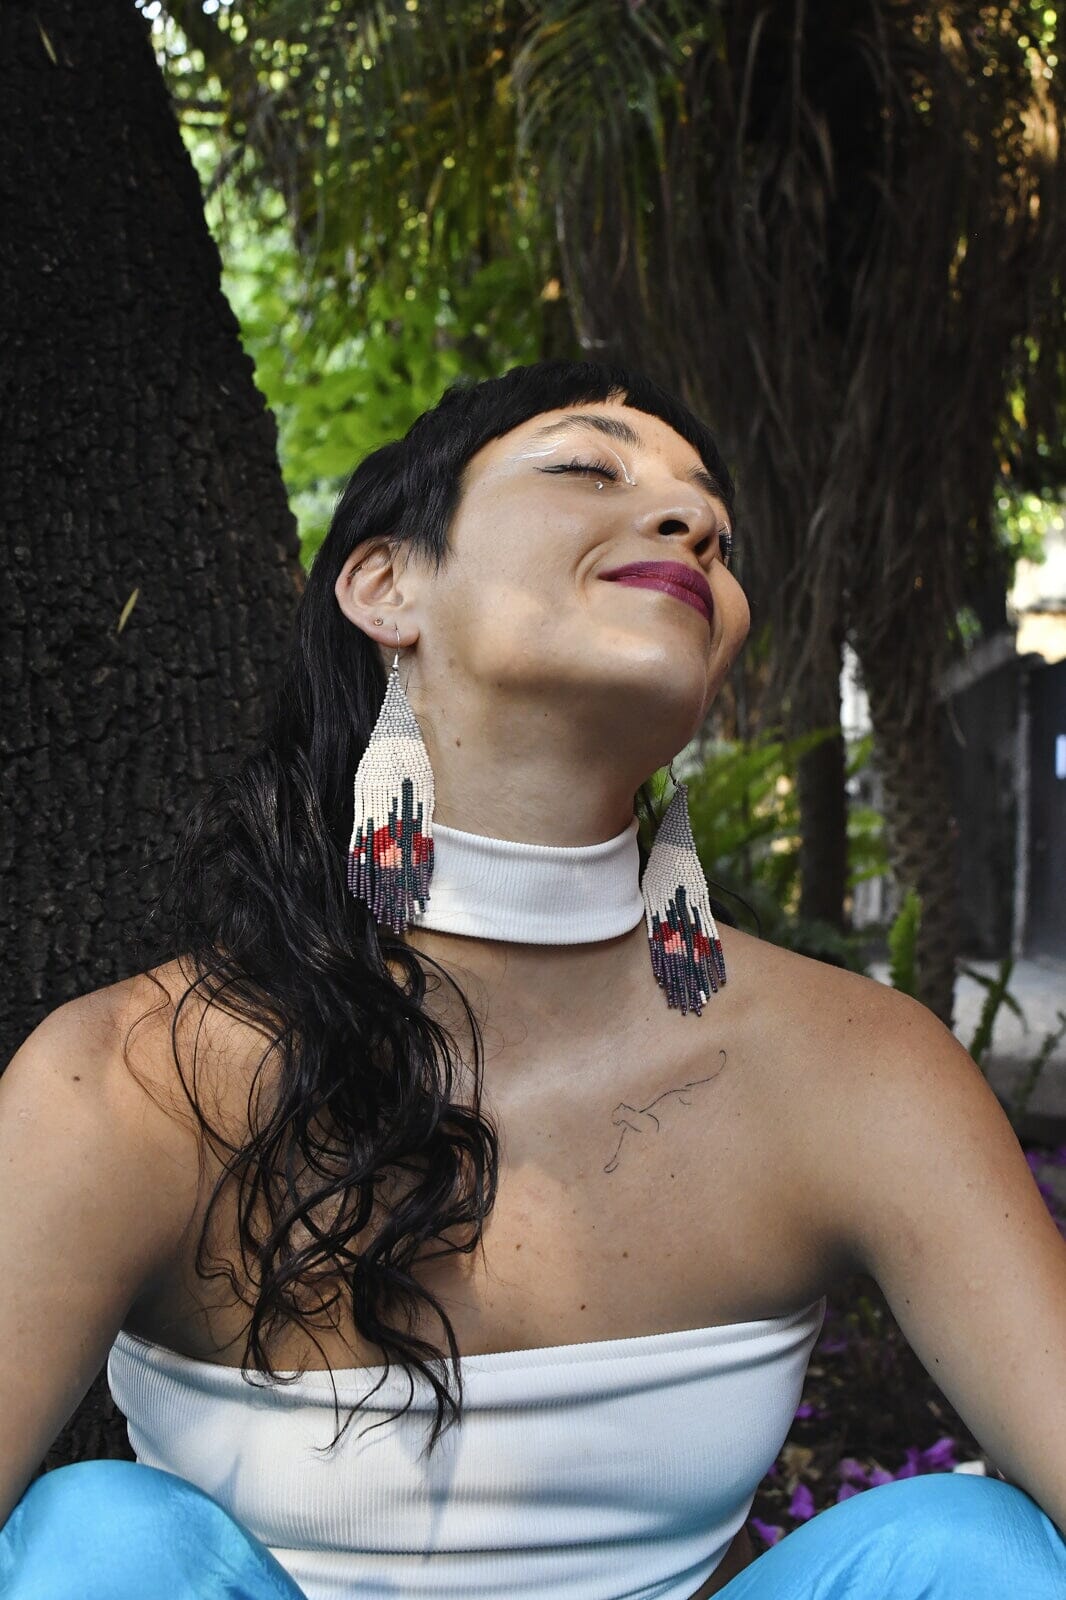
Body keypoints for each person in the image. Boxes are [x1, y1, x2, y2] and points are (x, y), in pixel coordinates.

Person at [1, 360, 1064, 1600]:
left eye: (709, 520)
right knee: (100, 1543)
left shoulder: (858, 1068)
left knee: (965, 1556)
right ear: (386, 583)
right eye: (585, 465)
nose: (693, 525)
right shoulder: (128, 1078)